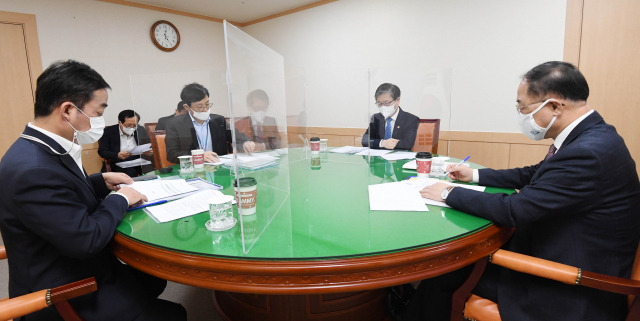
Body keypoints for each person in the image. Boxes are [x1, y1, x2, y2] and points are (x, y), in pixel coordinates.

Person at [415, 61, 640, 321]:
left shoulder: (587, 152)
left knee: (444, 275)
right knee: (452, 269)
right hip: (568, 250)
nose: (521, 114)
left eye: (523, 107)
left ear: (555, 106)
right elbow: (536, 173)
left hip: (569, 285)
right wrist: (475, 175)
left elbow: (515, 210)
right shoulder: (592, 136)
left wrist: (447, 193)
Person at [0, 60, 187, 321]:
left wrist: (100, 180)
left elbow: (61, 192)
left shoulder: (40, 147)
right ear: (68, 110)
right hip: (66, 290)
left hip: (77, 264)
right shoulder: (31, 168)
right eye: (98, 112)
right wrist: (121, 198)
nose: (100, 121)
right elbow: (86, 240)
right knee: (174, 313)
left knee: (154, 281)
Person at [165, 83, 254, 164]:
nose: (205, 109)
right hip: (193, 169)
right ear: (187, 107)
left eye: (207, 104)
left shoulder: (219, 121)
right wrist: (198, 156)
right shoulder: (175, 124)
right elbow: (172, 154)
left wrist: (246, 143)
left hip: (219, 168)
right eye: (199, 107)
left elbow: (237, 137)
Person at [362, 83, 419, 150]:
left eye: (387, 103)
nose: (383, 106)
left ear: (397, 100)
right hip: (379, 158)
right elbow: (365, 140)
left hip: (400, 159)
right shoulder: (376, 118)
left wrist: (388, 143)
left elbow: (407, 144)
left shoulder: (411, 119)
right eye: (379, 103)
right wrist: (382, 143)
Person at [98, 109, 153, 177]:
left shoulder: (140, 129)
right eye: (128, 125)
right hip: (119, 163)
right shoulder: (108, 132)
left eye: (134, 125)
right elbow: (102, 151)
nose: (132, 128)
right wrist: (117, 155)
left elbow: (149, 145)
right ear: (120, 123)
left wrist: (148, 151)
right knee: (130, 173)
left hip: (138, 161)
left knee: (152, 173)